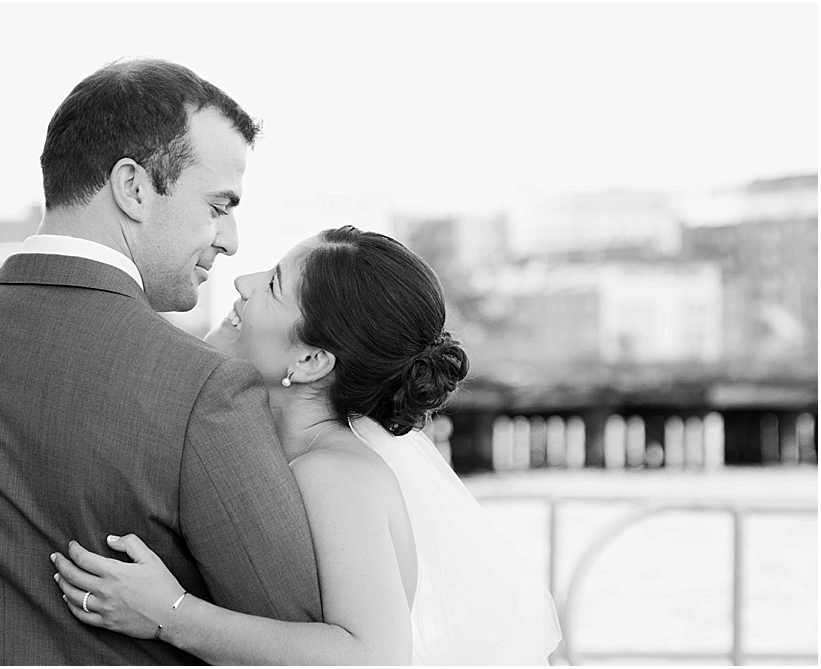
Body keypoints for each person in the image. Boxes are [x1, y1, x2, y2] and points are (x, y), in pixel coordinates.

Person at [0, 58, 322, 665]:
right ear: (133, 187)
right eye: (219, 204)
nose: (231, 238)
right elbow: (298, 645)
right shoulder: (204, 390)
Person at [52, 226, 563, 664]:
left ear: (312, 361)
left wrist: (170, 614)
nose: (242, 282)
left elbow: (372, 657)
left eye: (273, 285)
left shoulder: (334, 473)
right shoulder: (280, 452)